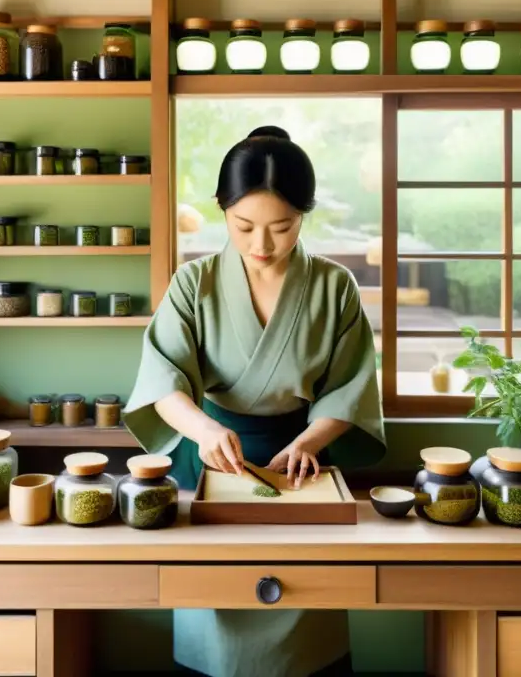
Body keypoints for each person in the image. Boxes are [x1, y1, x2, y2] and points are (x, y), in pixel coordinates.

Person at [124, 126, 386, 677]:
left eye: (282, 227)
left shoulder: (335, 287)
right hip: (215, 460)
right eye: (244, 226)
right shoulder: (193, 283)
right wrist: (203, 431)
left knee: (305, 612)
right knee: (216, 616)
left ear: (304, 216)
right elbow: (161, 381)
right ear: (222, 210)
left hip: (303, 467)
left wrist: (310, 441)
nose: (261, 245)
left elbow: (350, 385)